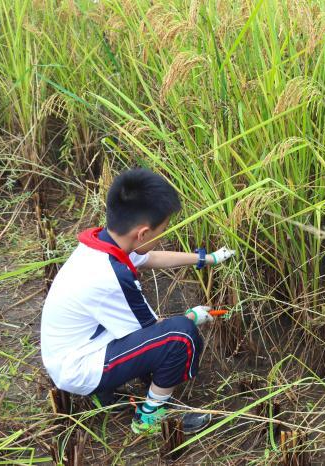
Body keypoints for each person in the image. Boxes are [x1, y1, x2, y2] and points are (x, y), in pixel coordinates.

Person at [40, 167, 236, 434]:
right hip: (77, 368)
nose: (163, 236)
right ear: (143, 234)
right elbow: (151, 331)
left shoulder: (105, 243)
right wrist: (194, 317)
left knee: (169, 331)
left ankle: (106, 390)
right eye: (163, 230)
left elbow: (150, 258)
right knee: (181, 337)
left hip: (73, 349)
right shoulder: (110, 275)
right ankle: (149, 418)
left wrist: (206, 259)